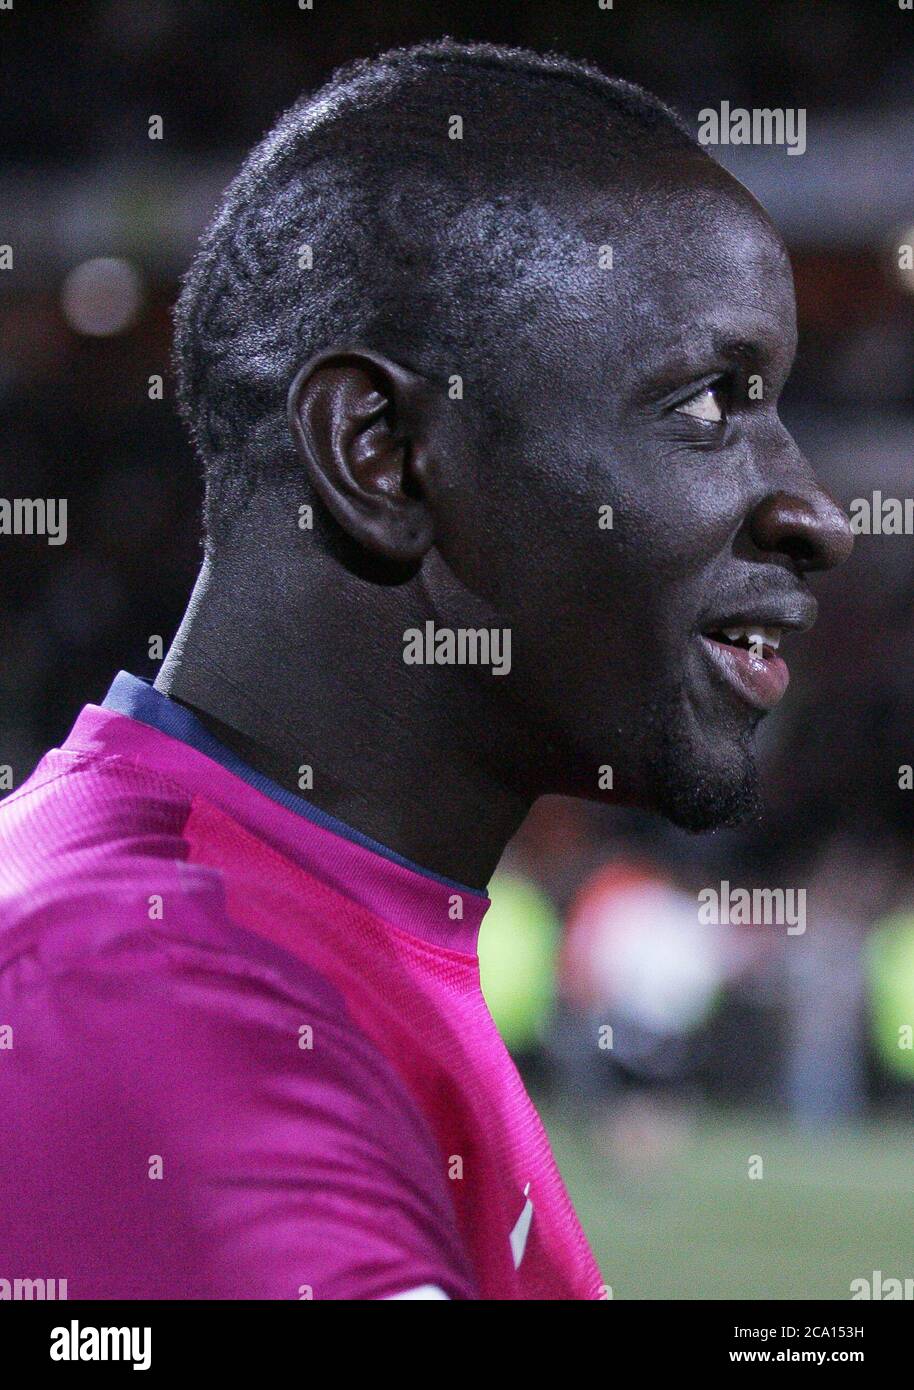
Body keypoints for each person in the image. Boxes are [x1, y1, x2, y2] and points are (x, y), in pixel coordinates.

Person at [0, 39, 852, 1300]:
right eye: (707, 404)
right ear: (382, 454)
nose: (818, 514)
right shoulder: (154, 999)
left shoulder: (303, 919)